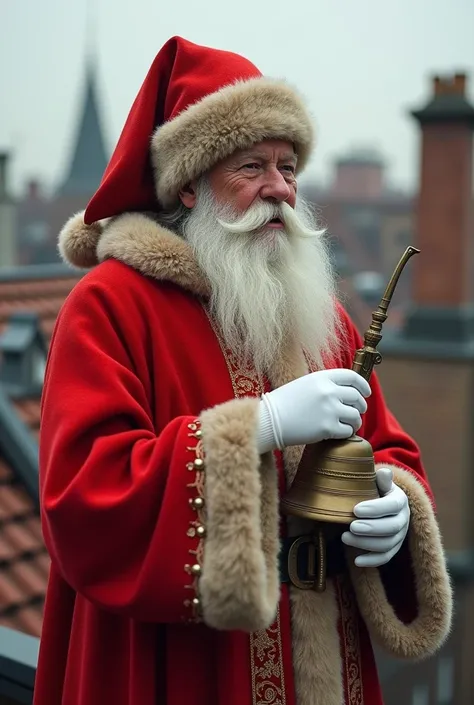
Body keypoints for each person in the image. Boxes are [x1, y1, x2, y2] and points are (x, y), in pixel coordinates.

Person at [35, 36, 452, 705]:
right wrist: (260, 426)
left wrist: (398, 503)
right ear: (192, 187)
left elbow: (388, 442)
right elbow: (85, 493)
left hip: (323, 655)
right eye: (252, 166)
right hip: (187, 663)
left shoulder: (320, 316)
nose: (280, 189)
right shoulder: (110, 304)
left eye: (289, 167)